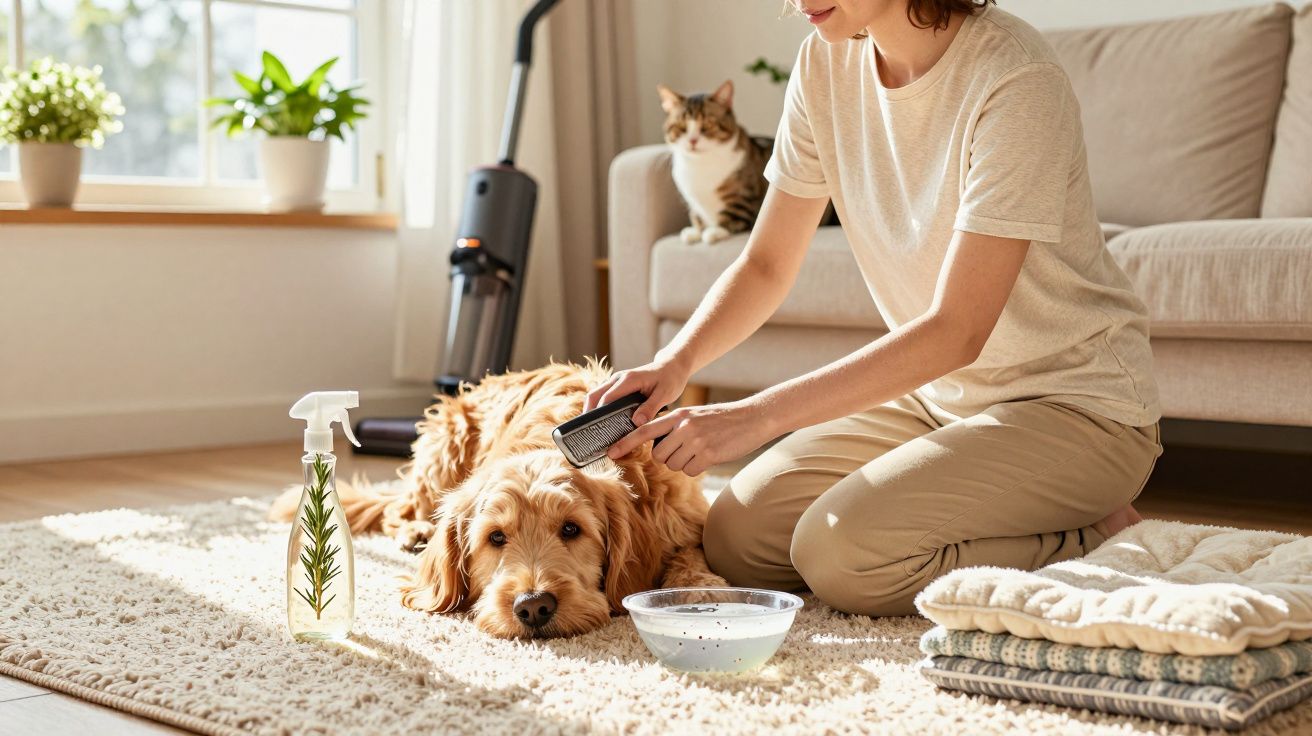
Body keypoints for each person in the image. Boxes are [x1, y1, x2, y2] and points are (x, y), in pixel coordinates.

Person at [585, 0, 1161, 616]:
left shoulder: (1015, 77)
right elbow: (767, 264)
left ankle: (1088, 532)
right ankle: (1001, 506)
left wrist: (754, 417)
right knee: (737, 540)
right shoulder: (824, 61)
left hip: (1075, 406)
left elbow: (956, 331)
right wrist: (675, 363)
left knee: (844, 559)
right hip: (940, 401)